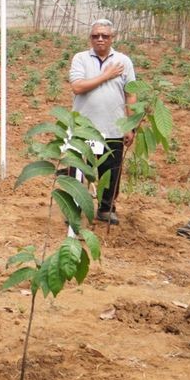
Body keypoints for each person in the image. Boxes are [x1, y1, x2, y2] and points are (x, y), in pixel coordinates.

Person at [68, 18, 137, 225]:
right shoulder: (80, 59)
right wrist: (106, 75)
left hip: (113, 128)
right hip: (84, 129)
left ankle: (106, 208)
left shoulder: (124, 61)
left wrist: (130, 125)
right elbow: (78, 87)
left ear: (112, 38)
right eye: (95, 36)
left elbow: (131, 94)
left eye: (104, 36)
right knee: (78, 170)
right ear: (90, 38)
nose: (100, 39)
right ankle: (75, 208)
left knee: (111, 171)